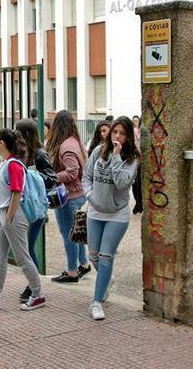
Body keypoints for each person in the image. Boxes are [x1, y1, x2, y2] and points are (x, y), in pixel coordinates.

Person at [0, 128, 46, 312]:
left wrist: (9, 217)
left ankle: (37, 294)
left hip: (12, 214)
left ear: (1, 143)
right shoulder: (6, 163)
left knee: (22, 256)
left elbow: (17, 191)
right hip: (3, 214)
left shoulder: (13, 164)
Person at [82, 117, 139, 320]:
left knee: (106, 257)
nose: (117, 136)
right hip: (96, 211)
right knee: (94, 257)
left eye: (122, 133)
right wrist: (90, 196)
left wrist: (116, 156)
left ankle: (96, 302)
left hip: (117, 214)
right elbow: (86, 176)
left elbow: (122, 182)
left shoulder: (132, 159)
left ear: (128, 137)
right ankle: (107, 279)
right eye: (115, 132)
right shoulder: (98, 151)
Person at [46, 110, 91, 283]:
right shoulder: (75, 142)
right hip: (79, 195)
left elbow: (72, 172)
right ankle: (84, 264)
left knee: (68, 235)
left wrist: (52, 177)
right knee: (77, 232)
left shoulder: (65, 146)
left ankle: (72, 272)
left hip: (68, 197)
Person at [14, 118, 54, 303]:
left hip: (35, 207)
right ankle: (32, 284)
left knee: (28, 247)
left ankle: (33, 286)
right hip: (20, 206)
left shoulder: (39, 154)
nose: (16, 135)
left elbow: (52, 178)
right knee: (24, 248)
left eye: (18, 132)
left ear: (27, 133)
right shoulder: (19, 153)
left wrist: (32, 176)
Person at [131, 115, 143, 214]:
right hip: (135, 159)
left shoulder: (142, 131)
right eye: (134, 120)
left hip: (142, 159)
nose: (136, 122)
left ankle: (140, 204)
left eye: (137, 120)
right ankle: (137, 203)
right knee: (135, 184)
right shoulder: (131, 131)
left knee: (140, 182)